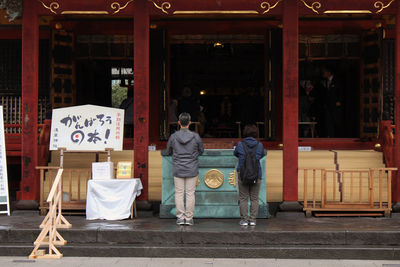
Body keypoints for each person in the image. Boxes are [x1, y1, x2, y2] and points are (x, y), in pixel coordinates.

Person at [166, 112, 204, 226]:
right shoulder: (195, 136)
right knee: (190, 193)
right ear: (190, 123)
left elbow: (168, 151)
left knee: (179, 193)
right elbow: (201, 150)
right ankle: (189, 218)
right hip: (192, 168)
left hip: (178, 168)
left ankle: (180, 217)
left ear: (179, 123)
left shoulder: (173, 137)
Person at [234, 124, 266, 226]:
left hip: (242, 174)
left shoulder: (240, 144)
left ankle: (244, 220)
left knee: (243, 198)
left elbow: (235, 154)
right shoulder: (259, 145)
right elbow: (262, 154)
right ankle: (252, 220)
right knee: (254, 198)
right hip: (256, 174)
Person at [321, 66, 344, 137]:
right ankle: (331, 136)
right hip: (328, 105)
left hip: (335, 105)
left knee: (337, 122)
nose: (323, 73)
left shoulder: (337, 80)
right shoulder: (325, 81)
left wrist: (339, 101)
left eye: (324, 72)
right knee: (329, 122)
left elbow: (341, 91)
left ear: (329, 72)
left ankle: (340, 137)